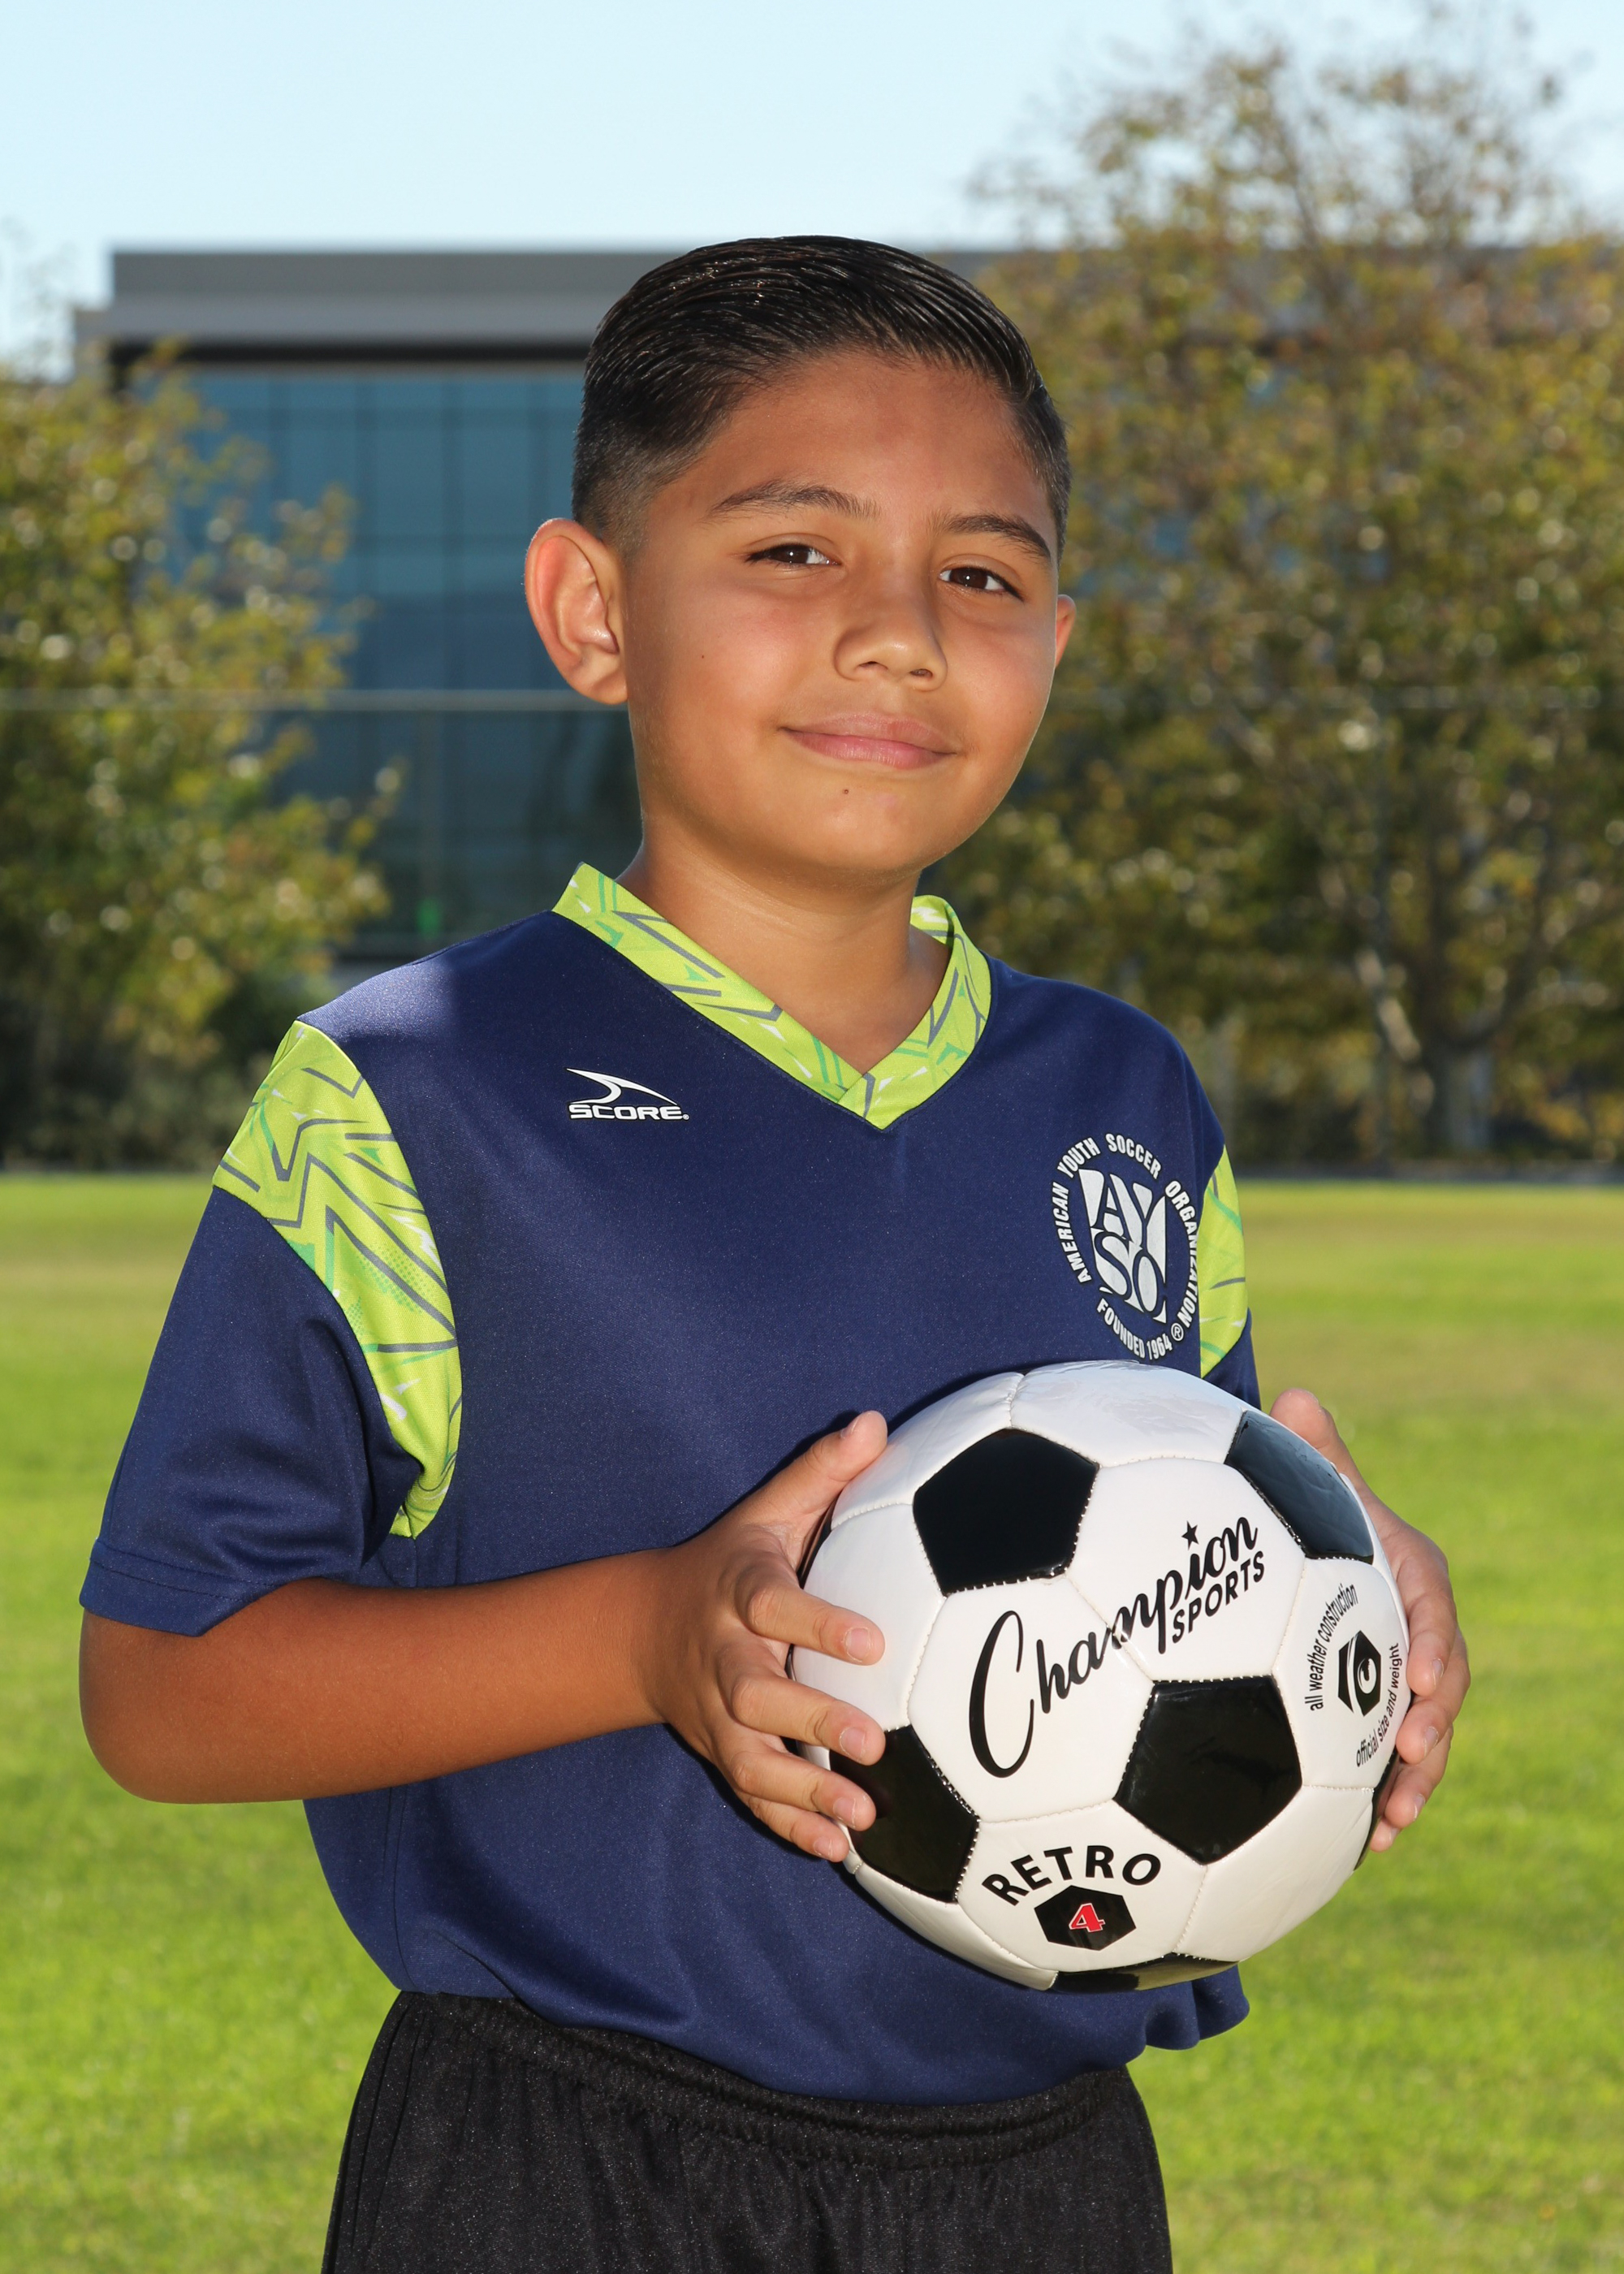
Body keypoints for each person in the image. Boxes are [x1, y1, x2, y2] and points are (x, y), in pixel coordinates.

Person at [79, 238, 1469, 2274]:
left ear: (1056, 641)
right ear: (595, 610)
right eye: (794, 550)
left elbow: (1187, 1544)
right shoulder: (406, 1090)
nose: (896, 635)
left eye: (980, 574)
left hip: (1049, 2184)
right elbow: (162, 1687)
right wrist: (646, 1637)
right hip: (572, 2168)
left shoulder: (1126, 1090)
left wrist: (1353, 1590)